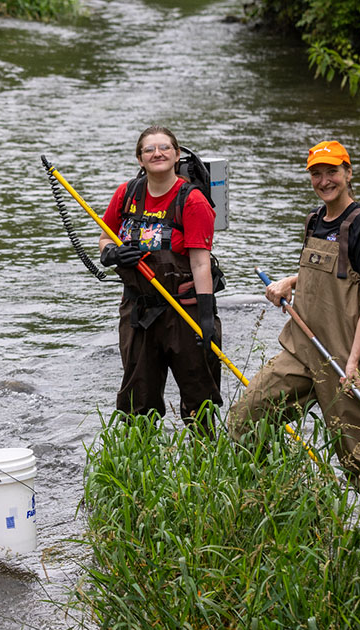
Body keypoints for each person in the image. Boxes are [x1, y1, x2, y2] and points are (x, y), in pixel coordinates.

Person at [228, 140, 360, 493]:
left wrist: (354, 363)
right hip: (302, 348)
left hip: (345, 358)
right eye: (316, 174)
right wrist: (290, 281)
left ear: (348, 172)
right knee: (246, 417)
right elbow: (333, 274)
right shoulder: (315, 220)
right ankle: (268, 498)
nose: (324, 180)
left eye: (332, 171)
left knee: (358, 456)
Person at [97, 126, 221, 423]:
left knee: (199, 400)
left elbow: (201, 263)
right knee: (137, 400)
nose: (157, 153)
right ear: (140, 159)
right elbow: (104, 237)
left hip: (183, 310)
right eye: (149, 149)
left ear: (177, 155)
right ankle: (138, 461)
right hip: (137, 312)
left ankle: (204, 458)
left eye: (164, 147)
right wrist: (111, 254)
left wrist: (205, 316)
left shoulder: (192, 201)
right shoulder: (126, 194)